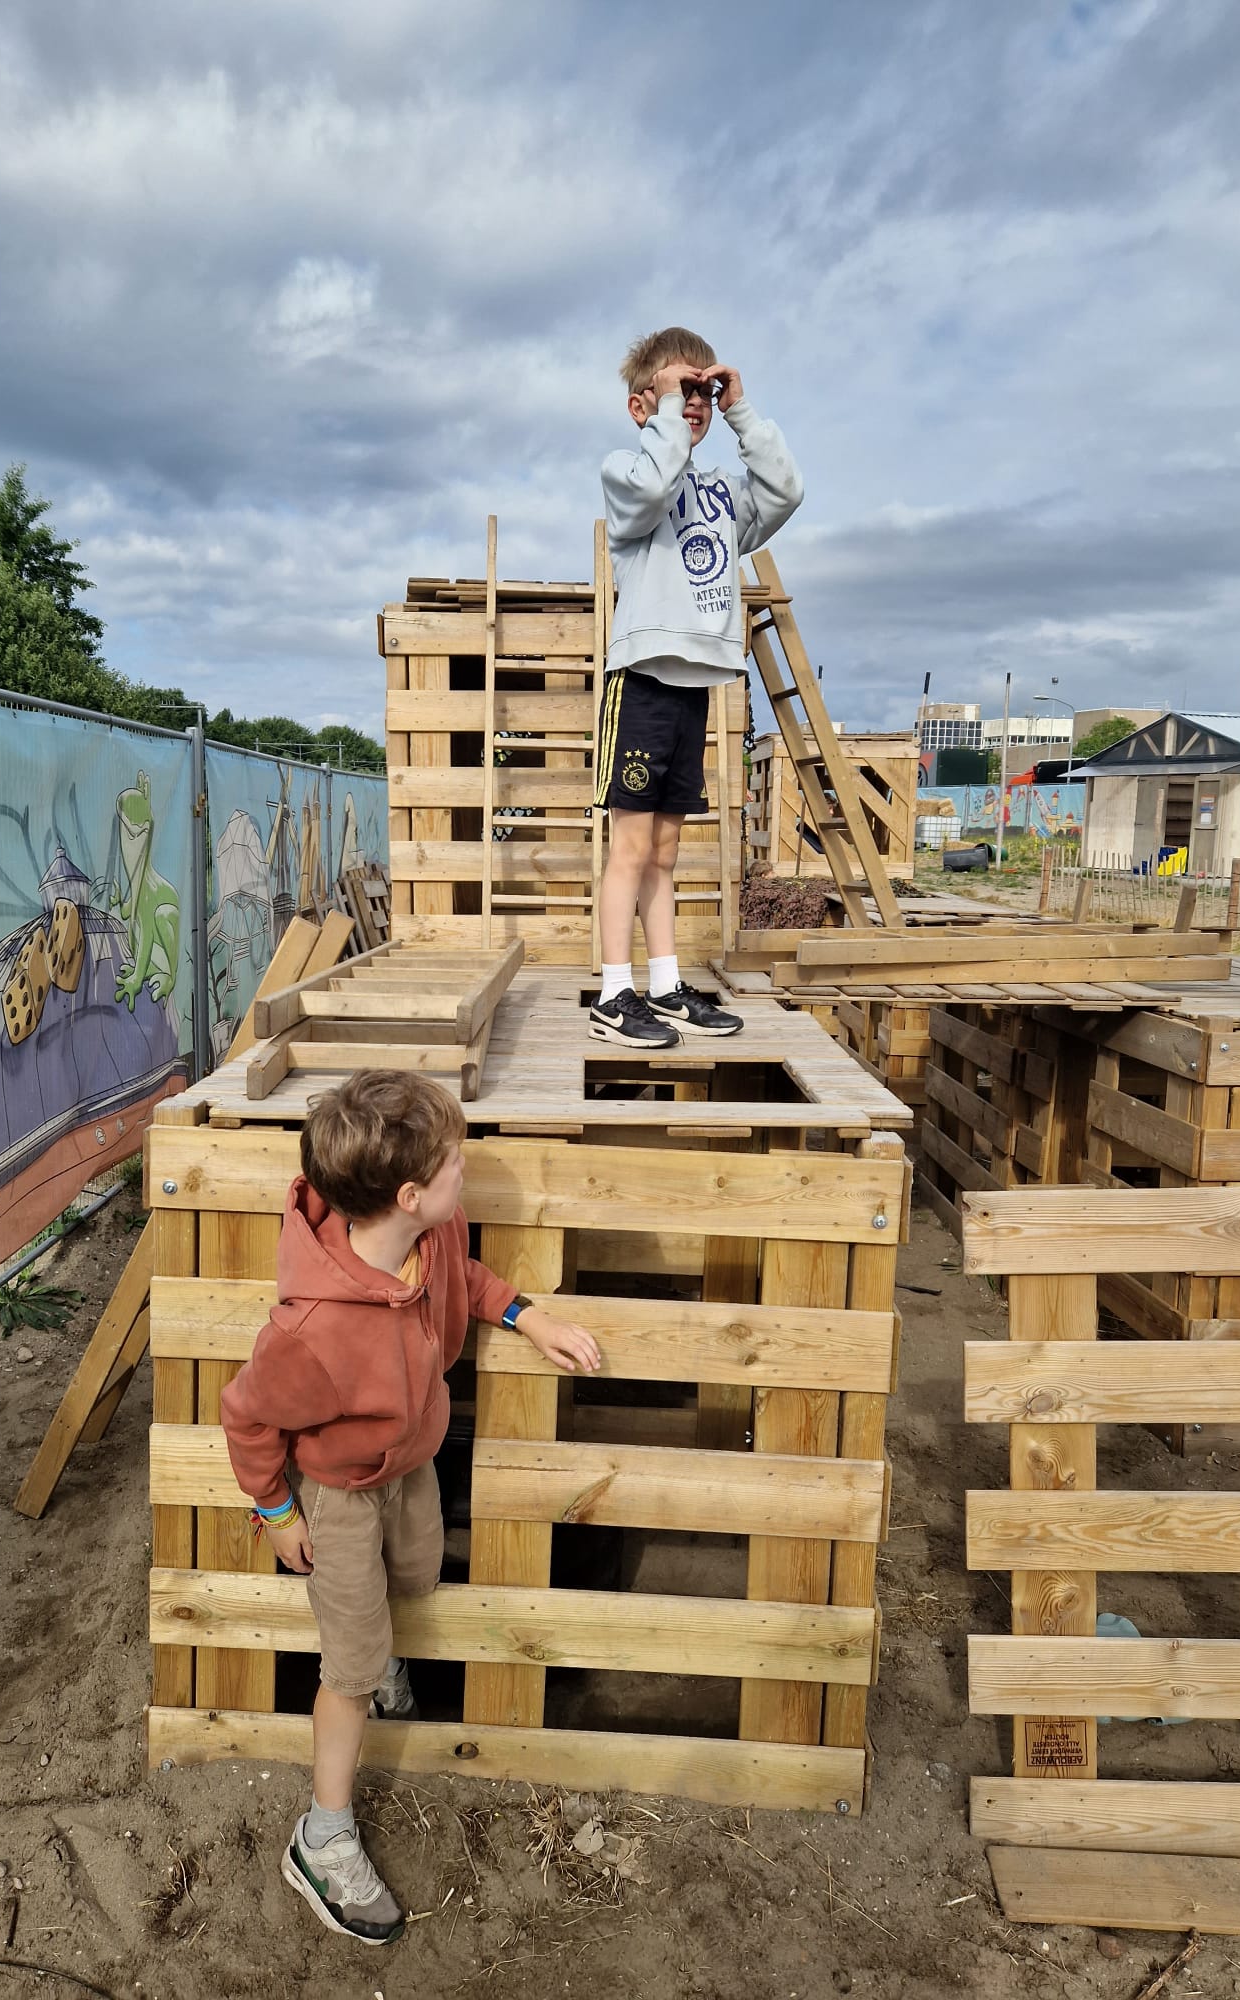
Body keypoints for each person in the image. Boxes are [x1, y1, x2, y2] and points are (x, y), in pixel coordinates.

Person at [219, 1072, 600, 1945]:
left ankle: (380, 1657)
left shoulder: (424, 1242)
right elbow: (246, 1416)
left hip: (411, 1468)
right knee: (349, 1667)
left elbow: (456, 1276)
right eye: (455, 1161)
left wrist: (526, 1315)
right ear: (409, 1194)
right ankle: (323, 1837)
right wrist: (278, 1515)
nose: (468, 1169)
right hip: (341, 1494)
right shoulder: (310, 1331)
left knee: (419, 1573)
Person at [592, 326, 803, 1047]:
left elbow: (785, 490)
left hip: (692, 691)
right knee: (629, 849)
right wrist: (670, 423)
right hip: (643, 683)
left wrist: (740, 411)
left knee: (666, 854)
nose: (696, 403)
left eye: (703, 391)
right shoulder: (627, 472)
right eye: (682, 390)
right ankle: (614, 993)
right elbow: (654, 485)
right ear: (639, 404)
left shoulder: (721, 493)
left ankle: (663, 982)